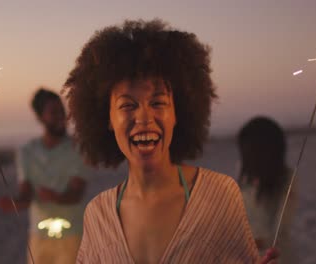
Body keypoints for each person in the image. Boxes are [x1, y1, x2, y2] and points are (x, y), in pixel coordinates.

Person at [64, 19, 278, 263]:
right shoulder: (97, 214)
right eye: (127, 105)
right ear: (107, 119)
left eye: (158, 103)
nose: (144, 118)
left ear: (179, 112)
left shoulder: (220, 195)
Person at [0, 88, 88, 264]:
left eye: (62, 110)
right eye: (53, 112)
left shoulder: (78, 149)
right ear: (40, 117)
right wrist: (16, 203)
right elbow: (26, 193)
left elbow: (77, 193)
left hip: (73, 236)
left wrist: (57, 197)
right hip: (39, 238)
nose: (61, 116)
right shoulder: (26, 152)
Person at [238, 117, 297, 263]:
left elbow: (280, 229)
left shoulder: (286, 179)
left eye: (250, 151)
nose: (246, 158)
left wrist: (256, 243)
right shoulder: (245, 176)